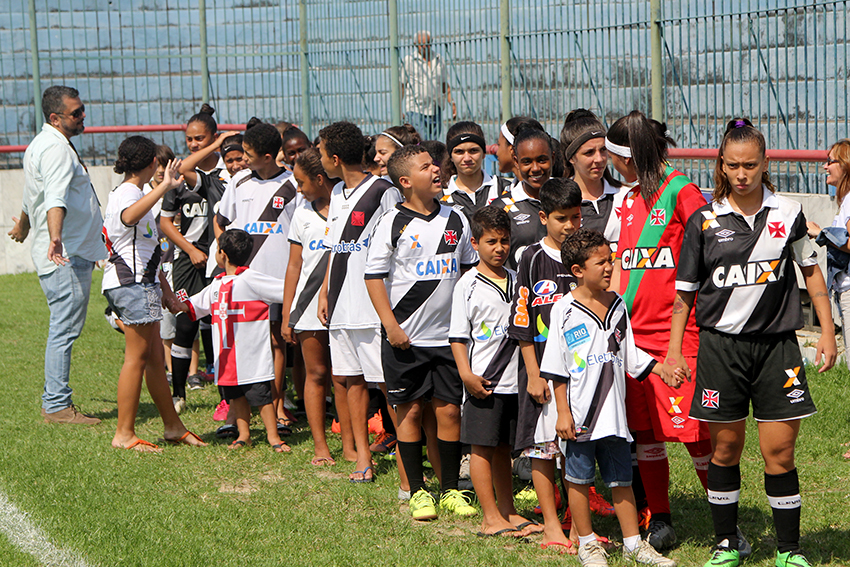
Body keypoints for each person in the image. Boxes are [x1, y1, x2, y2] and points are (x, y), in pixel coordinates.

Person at [666, 118, 836, 567]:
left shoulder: (788, 213)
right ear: (721, 165)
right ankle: (726, 543)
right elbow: (684, 295)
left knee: (779, 453)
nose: (742, 174)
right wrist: (673, 351)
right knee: (725, 450)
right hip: (721, 350)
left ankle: (789, 550)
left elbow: (812, 274)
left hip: (777, 349)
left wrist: (828, 332)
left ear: (765, 164)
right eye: (733, 165)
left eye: (750, 165)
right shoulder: (704, 220)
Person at [609, 110, 716, 552]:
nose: (611, 165)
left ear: (628, 158)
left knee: (695, 434)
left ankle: (725, 521)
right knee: (646, 435)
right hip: (633, 339)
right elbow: (622, 263)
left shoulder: (681, 190)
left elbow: (711, 248)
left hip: (677, 337)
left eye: (614, 157)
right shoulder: (628, 198)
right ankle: (661, 518)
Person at [542, 229, 678, 567]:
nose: (609, 267)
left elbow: (629, 353)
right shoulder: (563, 310)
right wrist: (563, 413)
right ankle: (587, 545)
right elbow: (556, 367)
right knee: (578, 480)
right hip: (580, 417)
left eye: (611, 260)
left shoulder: (617, 304)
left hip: (615, 417)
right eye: (601, 262)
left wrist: (661, 369)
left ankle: (633, 544)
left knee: (622, 480)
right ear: (578, 270)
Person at [364, 144, 478, 520]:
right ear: (406, 181)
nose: (436, 170)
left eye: (435, 164)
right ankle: (416, 491)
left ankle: (450, 490)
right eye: (426, 166)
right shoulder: (391, 222)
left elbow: (468, 274)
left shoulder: (456, 218)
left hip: (448, 340)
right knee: (409, 413)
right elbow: (373, 277)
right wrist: (391, 326)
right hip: (406, 339)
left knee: (449, 413)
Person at [8, 85, 106, 424]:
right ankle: (56, 406)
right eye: (75, 113)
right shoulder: (56, 150)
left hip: (69, 250)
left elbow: (31, 194)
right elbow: (53, 198)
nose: (82, 116)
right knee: (64, 329)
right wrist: (55, 237)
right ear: (55, 117)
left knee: (63, 327)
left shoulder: (42, 144)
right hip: (66, 254)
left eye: (82, 109)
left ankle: (56, 402)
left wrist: (23, 226)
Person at [101, 136, 206, 452]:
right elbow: (128, 218)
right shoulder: (129, 194)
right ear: (152, 164)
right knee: (136, 359)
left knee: (155, 360)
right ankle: (124, 434)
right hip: (130, 284)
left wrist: (166, 292)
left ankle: (173, 427)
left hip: (142, 284)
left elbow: (148, 251)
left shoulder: (138, 193)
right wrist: (164, 188)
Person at [316, 121, 401, 483]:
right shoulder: (336, 192)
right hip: (340, 303)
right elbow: (335, 247)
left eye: (321, 153)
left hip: (372, 306)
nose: (319, 160)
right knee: (351, 380)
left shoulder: (383, 191)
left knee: (386, 384)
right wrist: (324, 291)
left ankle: (406, 458)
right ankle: (363, 457)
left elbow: (397, 245)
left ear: (335, 158)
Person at [450, 205, 542, 537]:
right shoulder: (467, 285)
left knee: (504, 448)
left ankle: (508, 511)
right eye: (491, 241)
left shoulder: (519, 280)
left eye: (504, 241)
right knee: (481, 448)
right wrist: (466, 375)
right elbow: (458, 337)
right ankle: (489, 517)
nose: (499, 248)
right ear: (475, 243)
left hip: (515, 382)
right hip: (484, 381)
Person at [508, 177, 583, 552]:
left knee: (576, 447)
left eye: (575, 217)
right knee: (543, 449)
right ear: (543, 218)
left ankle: (577, 523)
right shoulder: (532, 258)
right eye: (560, 218)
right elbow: (522, 320)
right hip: (541, 373)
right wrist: (534, 375)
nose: (569, 226)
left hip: (581, 372)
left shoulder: (587, 255)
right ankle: (551, 525)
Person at [216, 121, 298, 435]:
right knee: (238, 343)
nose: (243, 159)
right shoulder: (238, 181)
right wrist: (224, 255)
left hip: (276, 280)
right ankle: (235, 414)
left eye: (248, 154)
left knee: (276, 342)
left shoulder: (293, 184)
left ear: (267, 156)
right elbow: (221, 220)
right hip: (241, 279)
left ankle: (277, 408)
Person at [178, 229, 290, 452]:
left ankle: (274, 437)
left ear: (222, 254)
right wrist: (173, 301)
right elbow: (192, 306)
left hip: (252, 354)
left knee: (261, 397)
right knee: (236, 396)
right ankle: (244, 435)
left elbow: (285, 289)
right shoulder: (216, 285)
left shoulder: (252, 279)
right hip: (227, 356)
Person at [178, 130, 247, 425]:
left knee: (255, 332)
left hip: (253, 265)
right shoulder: (213, 180)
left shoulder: (258, 180)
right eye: (229, 159)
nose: (235, 165)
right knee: (223, 333)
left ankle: (268, 398)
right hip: (222, 266)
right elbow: (183, 168)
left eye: (240, 158)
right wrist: (217, 145)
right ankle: (226, 398)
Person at [161, 104, 222, 412]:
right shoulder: (180, 177)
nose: (194, 144)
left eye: (201, 139)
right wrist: (190, 249)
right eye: (189, 139)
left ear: (215, 137)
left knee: (222, 323)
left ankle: (228, 394)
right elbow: (165, 222)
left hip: (221, 258)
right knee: (186, 322)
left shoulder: (228, 171)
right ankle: (179, 393)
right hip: (190, 259)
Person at [281, 148, 335, 465]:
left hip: (345, 305)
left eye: (301, 183)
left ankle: (351, 442)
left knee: (344, 378)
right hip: (307, 307)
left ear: (319, 178)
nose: (299, 190)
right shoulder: (301, 214)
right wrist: (288, 314)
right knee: (316, 373)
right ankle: (320, 446)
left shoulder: (349, 207)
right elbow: (294, 266)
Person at [560, 109, 625, 250]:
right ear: (571, 158)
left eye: (603, 150)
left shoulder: (627, 196)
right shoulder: (559, 202)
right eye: (589, 152)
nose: (599, 159)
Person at [401, 30, 456, 140]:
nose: (425, 47)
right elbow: (402, 85)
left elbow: (444, 84)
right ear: (415, 44)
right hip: (416, 107)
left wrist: (452, 103)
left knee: (433, 140)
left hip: (435, 107)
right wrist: (399, 108)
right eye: (422, 44)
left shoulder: (439, 59)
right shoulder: (409, 61)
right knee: (421, 139)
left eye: (428, 43)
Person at [440, 121, 500, 217]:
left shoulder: (504, 189)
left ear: (483, 153)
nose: (467, 158)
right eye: (459, 152)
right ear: (450, 156)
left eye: (473, 151)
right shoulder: (438, 196)